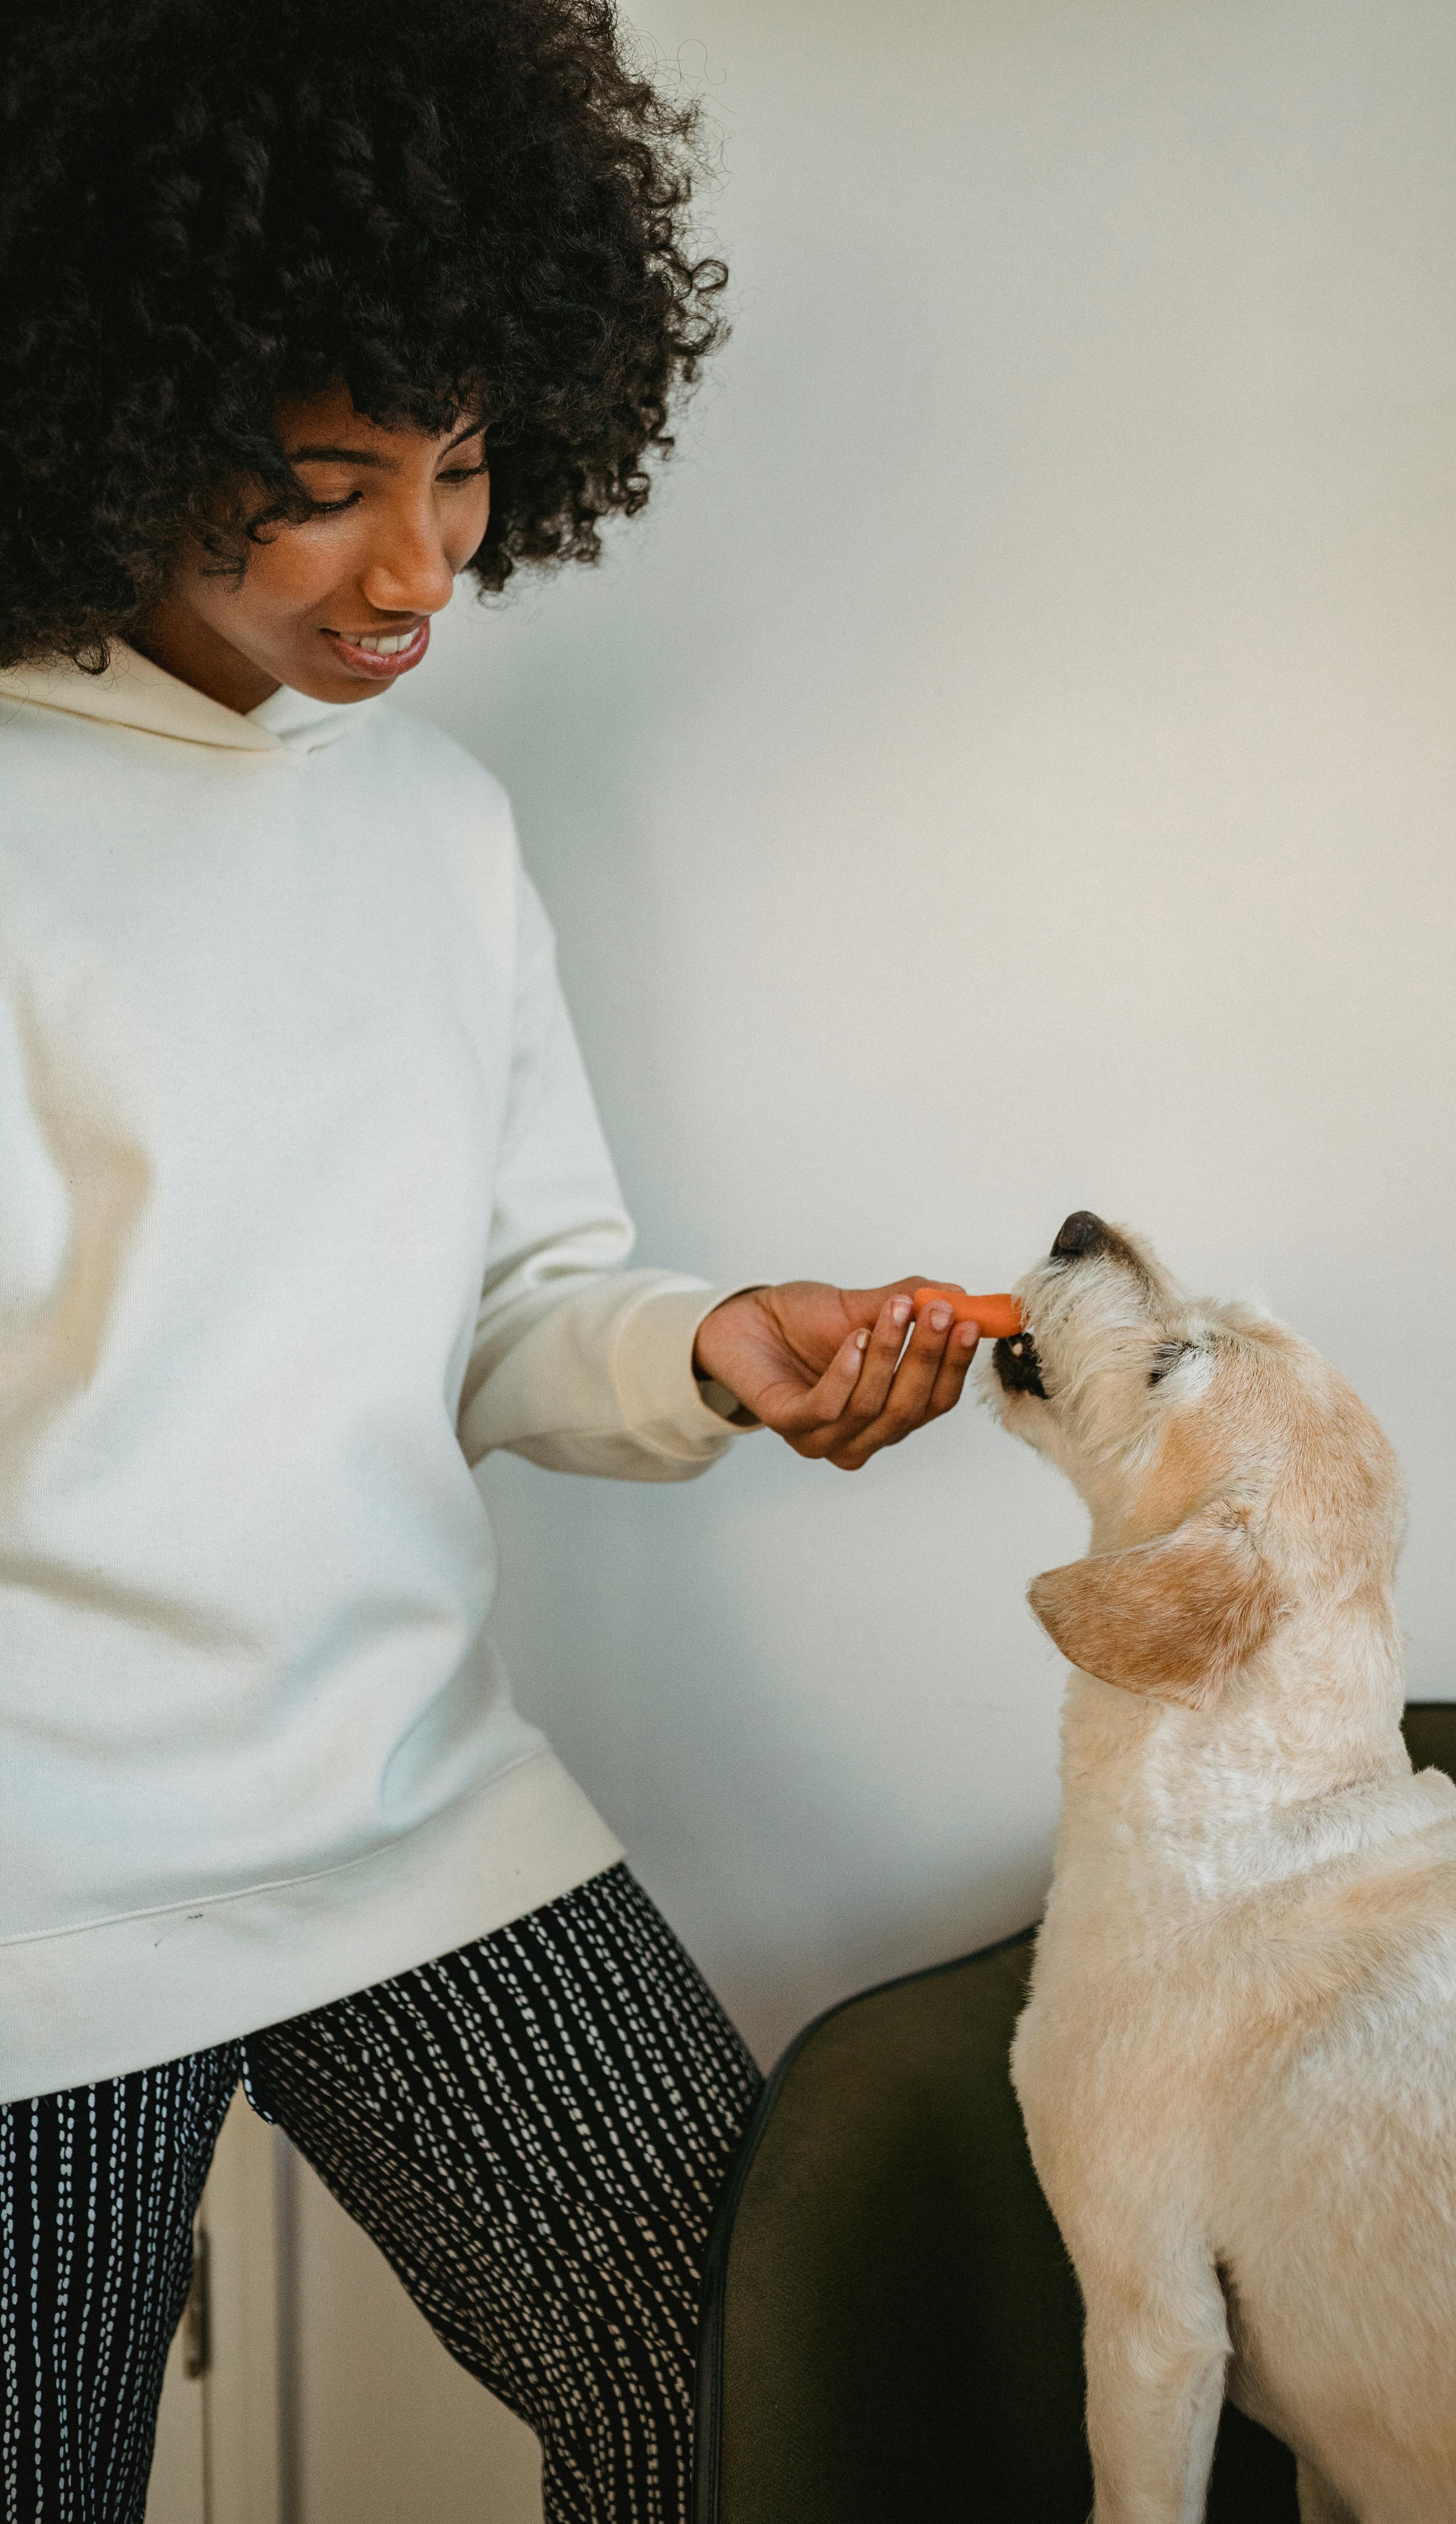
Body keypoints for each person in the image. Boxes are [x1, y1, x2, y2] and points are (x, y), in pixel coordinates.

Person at [0, 4, 982, 2516]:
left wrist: (713, 1352)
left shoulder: (434, 826)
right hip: (32, 1905)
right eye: (325, 484)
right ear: (103, 416)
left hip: (408, 1817)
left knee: (752, 2411)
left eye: (457, 468)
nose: (423, 564)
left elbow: (511, 1316)